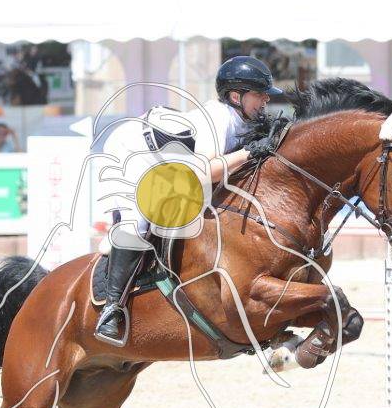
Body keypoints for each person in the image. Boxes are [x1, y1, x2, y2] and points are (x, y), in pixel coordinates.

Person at [94, 55, 280, 345]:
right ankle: (111, 309)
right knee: (136, 226)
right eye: (259, 93)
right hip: (131, 151)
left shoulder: (243, 120)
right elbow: (204, 172)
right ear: (236, 96)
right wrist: (248, 153)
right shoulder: (218, 118)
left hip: (169, 164)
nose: (266, 99)